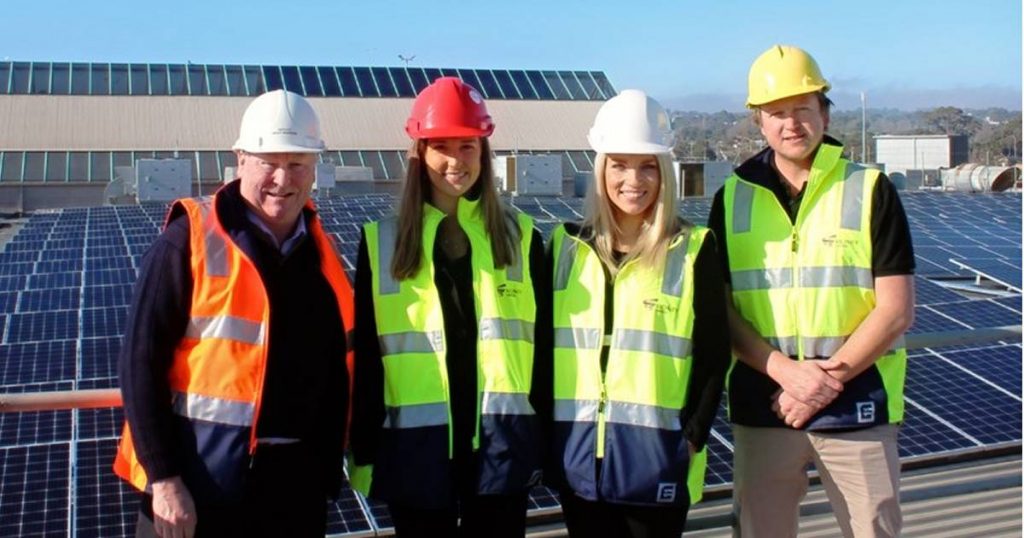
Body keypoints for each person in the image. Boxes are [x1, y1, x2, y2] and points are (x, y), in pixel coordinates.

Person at [113, 89, 354, 538]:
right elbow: (139, 364)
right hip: (198, 491)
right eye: (268, 161)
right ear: (240, 158)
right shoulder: (188, 242)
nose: (283, 178)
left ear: (316, 167)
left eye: (298, 163)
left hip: (294, 493)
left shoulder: (324, 253)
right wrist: (164, 480)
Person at [708, 45, 915, 538]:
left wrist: (825, 381)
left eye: (803, 109)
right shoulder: (731, 197)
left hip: (859, 402)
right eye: (777, 112)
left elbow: (895, 310)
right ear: (759, 121)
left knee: (873, 531)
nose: (791, 124)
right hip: (765, 403)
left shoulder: (870, 189)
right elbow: (722, 307)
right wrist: (784, 372)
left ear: (824, 112)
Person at [347, 77, 547, 537]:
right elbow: (369, 360)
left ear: (484, 151)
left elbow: (544, 353)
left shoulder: (525, 237)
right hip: (414, 449)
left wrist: (540, 442)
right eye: (440, 146)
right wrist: (365, 446)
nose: (455, 161)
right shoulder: (381, 242)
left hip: (501, 448)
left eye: (467, 146)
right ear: (420, 154)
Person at [546, 89, 730, 538]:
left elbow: (712, 355)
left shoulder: (693, 250)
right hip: (579, 457)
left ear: (665, 172)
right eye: (620, 165)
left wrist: (689, 439)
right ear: (601, 169)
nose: (634, 179)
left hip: (658, 457)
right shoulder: (562, 247)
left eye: (648, 165)